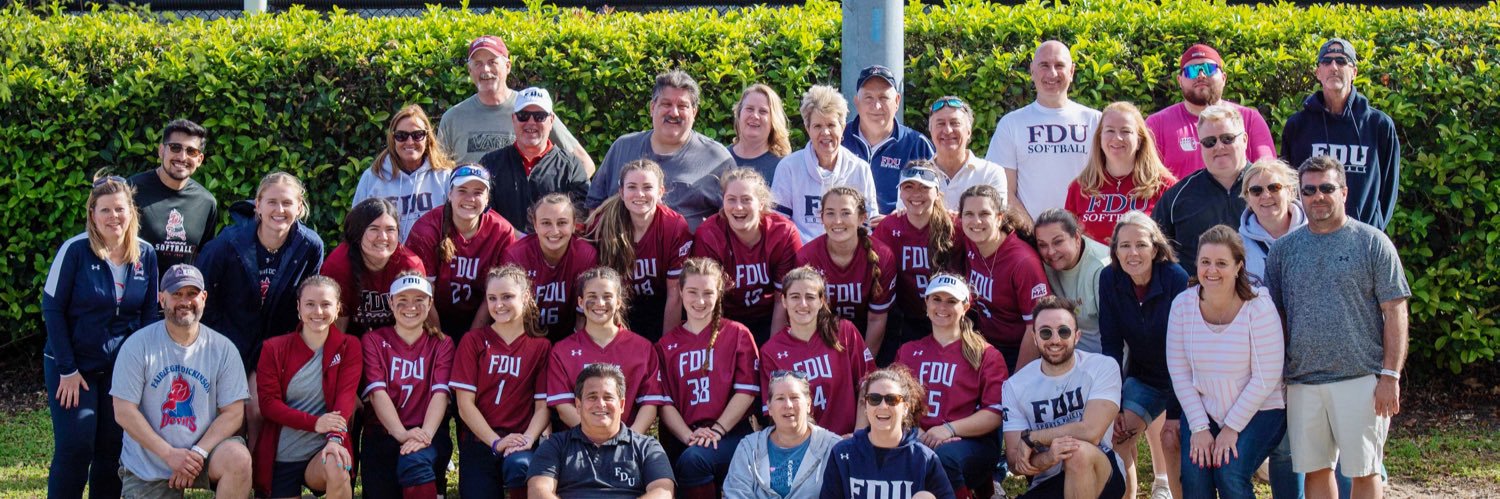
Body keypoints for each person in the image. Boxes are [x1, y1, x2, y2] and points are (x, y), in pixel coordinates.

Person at [1265, 155, 1411, 499]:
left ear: (1344, 191)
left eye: (1327, 188)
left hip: (1361, 379)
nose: (1318, 196)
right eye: (1310, 190)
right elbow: (1278, 317)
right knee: (1316, 471)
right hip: (1302, 381)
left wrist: (1390, 375)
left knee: (1364, 470)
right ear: (1299, 195)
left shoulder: (1372, 242)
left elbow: (1395, 310)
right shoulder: (1283, 251)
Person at [43, 175, 159, 499]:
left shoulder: (146, 254)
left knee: (113, 447)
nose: (113, 217)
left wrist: (145, 370)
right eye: (104, 210)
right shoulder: (75, 250)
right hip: (73, 366)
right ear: (92, 213)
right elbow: (52, 309)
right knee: (76, 445)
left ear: (131, 212)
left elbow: (150, 315)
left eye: (119, 209)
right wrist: (66, 369)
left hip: (120, 370)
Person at [110, 264, 252, 497]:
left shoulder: (223, 348)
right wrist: (169, 455)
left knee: (238, 459)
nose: (184, 301)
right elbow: (124, 412)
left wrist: (197, 453)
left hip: (204, 453)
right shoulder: (138, 346)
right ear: (161, 299)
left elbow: (234, 413)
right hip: (151, 462)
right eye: (176, 294)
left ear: (204, 298)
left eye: (192, 294)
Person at [1166, 226, 1286, 499]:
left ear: (1238, 266)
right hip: (1205, 408)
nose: (1212, 270)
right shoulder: (1182, 306)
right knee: (1196, 474)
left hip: (1262, 409)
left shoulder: (1258, 306)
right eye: (1205, 262)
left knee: (1229, 471)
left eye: (1222, 263)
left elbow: (1266, 377)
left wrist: (1231, 429)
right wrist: (1198, 427)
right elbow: (1180, 373)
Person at [1097, 210, 1188, 499]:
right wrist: (1117, 405)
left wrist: (1174, 412)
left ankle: (1170, 490)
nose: (1132, 253)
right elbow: (1110, 344)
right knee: (1119, 436)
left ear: (1155, 247)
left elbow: (1183, 349)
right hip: (1144, 376)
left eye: (1141, 245)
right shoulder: (1109, 279)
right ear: (1115, 250)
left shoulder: (1175, 278)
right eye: (1124, 246)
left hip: (1184, 378)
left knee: (1172, 439)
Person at [655, 258, 762, 499]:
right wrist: (689, 436)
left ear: (719, 294)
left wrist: (716, 430)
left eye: (708, 293)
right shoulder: (666, 345)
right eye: (692, 292)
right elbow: (663, 403)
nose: (700, 301)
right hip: (683, 435)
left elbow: (746, 392)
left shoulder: (737, 334)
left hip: (731, 432)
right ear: (680, 291)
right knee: (684, 459)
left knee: (695, 460)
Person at [1001, 296, 1127, 499]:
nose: (1055, 340)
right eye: (1045, 332)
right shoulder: (1015, 386)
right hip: (1047, 479)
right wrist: (1048, 458)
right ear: (1034, 337)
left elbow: (1091, 432)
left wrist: (1034, 437)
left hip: (1101, 471)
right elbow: (1016, 463)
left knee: (1077, 453)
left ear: (1077, 336)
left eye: (1063, 331)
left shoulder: (1102, 367)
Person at [896, 273, 1007, 498]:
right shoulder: (908, 351)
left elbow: (994, 413)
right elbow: (894, 403)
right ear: (926, 303)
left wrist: (948, 430)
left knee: (942, 457)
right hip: (918, 436)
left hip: (969, 442)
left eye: (951, 301)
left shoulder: (985, 354)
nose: (942, 307)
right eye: (936, 299)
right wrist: (916, 432)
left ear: (966, 306)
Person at [199, 171, 325, 369]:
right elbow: (203, 295)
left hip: (279, 350)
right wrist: (221, 340)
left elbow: (308, 300)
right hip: (226, 346)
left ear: (299, 207)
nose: (279, 209)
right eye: (272, 202)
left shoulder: (310, 246)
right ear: (258, 205)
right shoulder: (227, 243)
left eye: (287, 203)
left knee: (260, 399)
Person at [587, 70, 737, 230]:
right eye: (666, 104)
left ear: (694, 112)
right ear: (652, 107)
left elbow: (736, 215)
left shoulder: (717, 159)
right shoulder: (623, 147)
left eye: (682, 106)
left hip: (688, 253)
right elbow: (595, 206)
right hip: (620, 251)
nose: (674, 113)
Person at [252, 277, 360, 499]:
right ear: (299, 307)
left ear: (338, 308)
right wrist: (316, 423)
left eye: (326, 304)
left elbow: (345, 399)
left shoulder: (349, 346)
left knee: (337, 465)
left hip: (324, 449)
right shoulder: (274, 348)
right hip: (284, 454)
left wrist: (334, 439)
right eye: (310, 303)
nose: (318, 311)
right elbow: (268, 405)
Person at [451, 265, 553, 499]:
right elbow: (464, 405)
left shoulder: (541, 347)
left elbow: (542, 406)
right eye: (492, 298)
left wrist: (527, 439)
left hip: (520, 441)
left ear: (526, 297)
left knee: (520, 467)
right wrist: (496, 442)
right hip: (480, 440)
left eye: (507, 297)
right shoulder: (473, 341)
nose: (499, 305)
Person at [1281, 38, 1401, 230]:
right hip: (1311, 237)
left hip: (1363, 239)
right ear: (1318, 73)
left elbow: (1388, 190)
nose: (1334, 67)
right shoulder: (1298, 125)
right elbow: (1289, 187)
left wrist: (1374, 232)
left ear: (1354, 72)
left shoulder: (1379, 125)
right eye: (1326, 62)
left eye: (1342, 61)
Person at [985, 40, 1102, 226]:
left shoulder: (1096, 121)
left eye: (1059, 66)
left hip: (1088, 240)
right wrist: (1034, 234)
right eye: (1044, 65)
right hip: (1030, 239)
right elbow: (1003, 190)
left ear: (1072, 71)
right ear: (1032, 70)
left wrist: (1083, 235)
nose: (1052, 73)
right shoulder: (1011, 124)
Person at [359, 274, 455, 499]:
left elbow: (440, 394)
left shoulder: (442, 343)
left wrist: (424, 436)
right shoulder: (373, 340)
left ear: (430, 303)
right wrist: (401, 434)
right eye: (402, 300)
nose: (410, 306)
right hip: (383, 433)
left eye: (419, 299)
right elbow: (377, 393)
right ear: (390, 303)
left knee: (416, 462)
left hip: (427, 432)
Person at [438, 35, 594, 171]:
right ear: (470, 70)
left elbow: (585, 164)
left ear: (507, 66)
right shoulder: (453, 118)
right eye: (478, 63)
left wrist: (557, 203)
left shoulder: (531, 108)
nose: (485, 70)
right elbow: (438, 175)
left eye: (492, 62)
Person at [543, 267, 667, 433]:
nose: (600, 303)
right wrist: (597, 436)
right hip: (579, 444)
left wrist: (626, 441)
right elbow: (564, 408)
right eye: (592, 296)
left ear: (618, 302)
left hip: (628, 444)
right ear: (580, 302)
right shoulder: (562, 351)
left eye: (607, 296)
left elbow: (650, 405)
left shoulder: (643, 348)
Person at [527, 363, 676, 498]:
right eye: (592, 397)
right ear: (578, 405)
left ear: (622, 404)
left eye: (608, 397)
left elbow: (662, 492)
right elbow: (538, 491)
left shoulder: (647, 447)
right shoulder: (555, 445)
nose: (600, 404)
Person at [585, 159, 695, 341]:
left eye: (647, 187)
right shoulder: (603, 224)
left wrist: (666, 346)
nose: (640, 194)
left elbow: (674, 294)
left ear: (661, 191)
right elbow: (595, 289)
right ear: (621, 192)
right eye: (632, 187)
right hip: (617, 309)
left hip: (659, 308)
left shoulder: (673, 226)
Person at [691, 168, 804, 344]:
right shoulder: (709, 235)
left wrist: (773, 352)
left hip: (770, 318)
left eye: (746, 199)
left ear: (761, 203)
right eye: (731, 200)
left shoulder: (783, 233)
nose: (738, 207)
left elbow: (783, 299)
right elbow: (705, 300)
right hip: (725, 320)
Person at [759, 266, 875, 436]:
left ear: (821, 301)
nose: (803, 304)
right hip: (804, 446)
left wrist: (857, 435)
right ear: (784, 301)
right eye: (795, 297)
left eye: (810, 297)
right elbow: (778, 413)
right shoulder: (771, 352)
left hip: (849, 441)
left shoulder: (844, 332)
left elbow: (869, 385)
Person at [406, 164, 518, 338]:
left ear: (487, 198)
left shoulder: (502, 232)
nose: (470, 198)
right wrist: (440, 341)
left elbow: (498, 295)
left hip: (483, 320)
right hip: (432, 318)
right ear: (450, 194)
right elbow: (422, 295)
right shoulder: (426, 229)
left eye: (478, 192)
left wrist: (471, 340)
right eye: (462, 190)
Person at [873, 163, 962, 364]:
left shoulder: (955, 226)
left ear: (937, 192)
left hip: (949, 316)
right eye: (909, 187)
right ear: (900, 192)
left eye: (924, 187)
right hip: (906, 318)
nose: (916, 194)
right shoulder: (890, 227)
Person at [1146, 43, 1277, 179]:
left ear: (1224, 77)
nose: (1201, 75)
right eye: (1192, 70)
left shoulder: (1249, 119)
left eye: (1209, 69)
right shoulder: (1157, 124)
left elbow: (1268, 174)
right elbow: (1146, 180)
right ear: (1180, 80)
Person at [956, 184, 1050, 372]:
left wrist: (1017, 380)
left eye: (984, 214)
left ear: (999, 218)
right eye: (969, 214)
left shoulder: (1023, 262)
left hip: (1016, 350)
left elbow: (1036, 327)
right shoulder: (969, 238)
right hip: (980, 342)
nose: (976, 221)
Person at [821, 366, 954, 498]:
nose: (883, 406)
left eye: (892, 399)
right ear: (865, 406)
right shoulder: (842, 453)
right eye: (874, 399)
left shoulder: (924, 458)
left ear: (906, 408)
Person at [796, 187, 897, 356]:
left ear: (861, 218)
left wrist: (865, 364)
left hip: (867, 334)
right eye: (830, 213)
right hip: (821, 336)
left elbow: (876, 318)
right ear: (821, 218)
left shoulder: (882, 255)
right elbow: (805, 318)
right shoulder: (807, 257)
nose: (837, 221)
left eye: (845, 213)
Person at [1152, 103, 1250, 276]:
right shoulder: (1178, 197)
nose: (1219, 147)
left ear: (1244, 140)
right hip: (1197, 297)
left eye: (1227, 138)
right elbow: (1154, 251)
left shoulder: (1269, 187)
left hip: (1262, 296)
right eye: (1209, 142)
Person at [773, 84, 879, 242]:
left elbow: (868, 225)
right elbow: (779, 224)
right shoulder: (789, 167)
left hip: (847, 257)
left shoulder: (860, 169)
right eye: (817, 126)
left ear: (842, 127)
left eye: (831, 125)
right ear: (808, 129)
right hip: (802, 259)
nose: (825, 133)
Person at [479, 87, 590, 234]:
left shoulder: (572, 166)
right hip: (504, 252)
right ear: (513, 119)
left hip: (554, 253)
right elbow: (482, 214)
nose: (531, 122)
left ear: (551, 120)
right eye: (523, 115)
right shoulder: (490, 163)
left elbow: (581, 218)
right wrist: (516, 240)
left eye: (539, 116)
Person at [1065, 102, 1177, 243]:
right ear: (1099, 138)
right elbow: (1069, 243)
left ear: (1140, 140)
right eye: (1110, 130)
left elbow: (1177, 244)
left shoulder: (1165, 187)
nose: (1117, 138)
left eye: (1126, 131)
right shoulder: (1080, 188)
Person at [723, 370, 843, 499]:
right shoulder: (749, 448)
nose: (788, 405)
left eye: (794, 397)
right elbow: (735, 494)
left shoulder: (834, 448)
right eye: (780, 398)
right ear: (769, 407)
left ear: (808, 404)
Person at [320, 198, 426, 335]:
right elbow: (336, 327)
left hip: (397, 341)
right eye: (374, 229)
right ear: (358, 233)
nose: (383, 237)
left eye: (390, 229)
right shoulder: (338, 265)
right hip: (352, 342)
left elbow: (422, 318)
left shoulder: (410, 265)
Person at [500, 193, 598, 340]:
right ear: (535, 224)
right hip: (526, 336)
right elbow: (508, 312)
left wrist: (577, 347)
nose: (554, 231)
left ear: (573, 225)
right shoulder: (516, 255)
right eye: (546, 223)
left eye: (562, 223)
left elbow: (583, 314)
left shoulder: (585, 255)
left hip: (570, 337)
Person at [840, 65, 936, 214]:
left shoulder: (917, 144)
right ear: (856, 102)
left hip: (899, 234)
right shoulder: (839, 138)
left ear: (897, 101)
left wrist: (896, 221)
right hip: (845, 230)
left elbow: (936, 198)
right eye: (868, 98)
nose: (876, 106)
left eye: (884, 97)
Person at [354, 104, 455, 242]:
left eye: (417, 135)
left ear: (428, 137)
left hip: (434, 258)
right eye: (401, 136)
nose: (410, 142)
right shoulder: (373, 177)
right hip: (387, 259)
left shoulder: (444, 176)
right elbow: (356, 228)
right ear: (392, 138)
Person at [130, 118, 218, 275]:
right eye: (175, 148)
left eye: (191, 151)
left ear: (199, 160)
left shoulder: (206, 203)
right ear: (161, 151)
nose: (182, 157)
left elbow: (205, 258)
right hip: (138, 296)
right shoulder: (131, 191)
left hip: (181, 298)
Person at [1032, 209, 1109, 353]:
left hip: (1100, 361)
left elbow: (1115, 335)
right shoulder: (1041, 263)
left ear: (1077, 238)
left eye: (1058, 242)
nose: (1051, 252)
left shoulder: (1101, 268)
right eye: (1042, 245)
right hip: (1062, 358)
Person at [927, 96, 1006, 210]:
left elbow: (997, 221)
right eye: (940, 124)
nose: (948, 130)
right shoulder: (915, 175)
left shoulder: (990, 173)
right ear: (931, 131)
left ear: (969, 131)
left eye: (955, 123)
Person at [1238, 159, 1306, 284]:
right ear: (1247, 197)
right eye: (1256, 190)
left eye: (1274, 188)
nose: (1265, 195)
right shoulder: (1237, 246)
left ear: (1290, 190)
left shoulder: (1316, 234)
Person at [729, 83, 794, 182]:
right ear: (739, 114)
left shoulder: (784, 167)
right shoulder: (722, 158)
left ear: (773, 120)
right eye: (749, 109)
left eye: (763, 111)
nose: (755, 115)